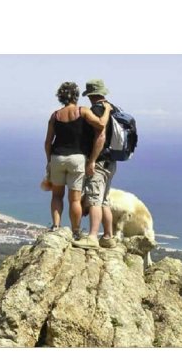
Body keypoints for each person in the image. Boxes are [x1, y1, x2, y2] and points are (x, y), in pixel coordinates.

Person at [44, 81, 111, 239]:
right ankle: (76, 231)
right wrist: (107, 109)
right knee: (74, 200)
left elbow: (47, 142)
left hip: (57, 157)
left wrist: (49, 161)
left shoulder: (55, 115)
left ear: (60, 97)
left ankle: (56, 226)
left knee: (56, 196)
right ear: (76, 96)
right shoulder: (83, 111)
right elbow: (101, 124)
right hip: (77, 159)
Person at [72, 79, 118, 249]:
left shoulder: (97, 110)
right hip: (110, 161)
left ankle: (92, 237)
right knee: (104, 200)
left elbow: (100, 136)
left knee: (94, 200)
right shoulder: (113, 109)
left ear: (91, 95)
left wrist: (91, 160)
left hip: (98, 162)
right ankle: (108, 237)